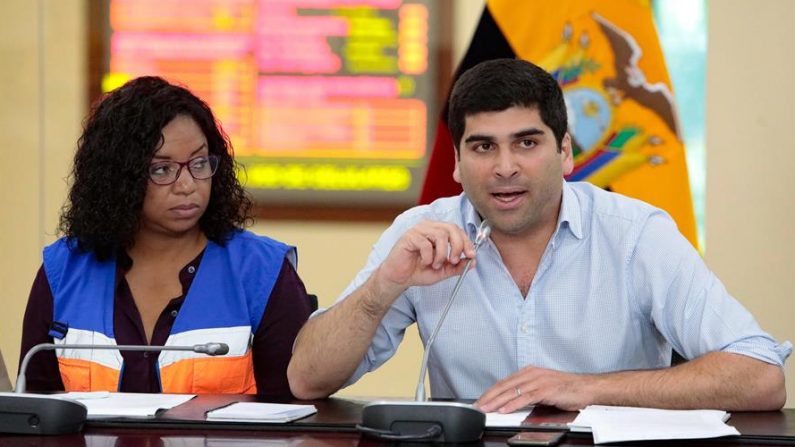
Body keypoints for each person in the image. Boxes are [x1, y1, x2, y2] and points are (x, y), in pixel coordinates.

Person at [288, 59, 790, 411]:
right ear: (457, 164)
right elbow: (306, 380)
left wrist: (587, 388)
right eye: (483, 147)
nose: (505, 168)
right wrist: (382, 289)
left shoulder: (636, 234)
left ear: (565, 153)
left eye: (526, 143)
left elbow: (761, 376)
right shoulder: (420, 233)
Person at [20, 76, 312, 397]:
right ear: (119, 179)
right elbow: (36, 413)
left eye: (199, 163)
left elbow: (295, 413)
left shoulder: (262, 272)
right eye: (162, 169)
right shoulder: (63, 271)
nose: (187, 184)